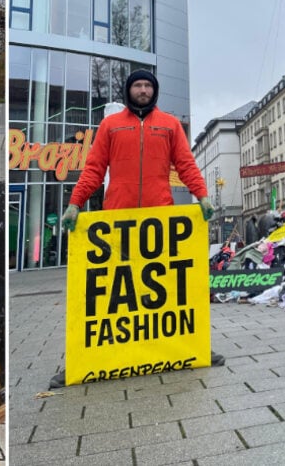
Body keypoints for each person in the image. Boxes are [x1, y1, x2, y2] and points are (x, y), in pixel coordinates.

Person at [52, 69, 222, 388]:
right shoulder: (110, 125)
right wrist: (75, 203)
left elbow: (186, 164)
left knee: (170, 287)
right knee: (113, 290)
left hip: (160, 217)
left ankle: (195, 348)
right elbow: (94, 167)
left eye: (147, 86)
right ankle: (86, 358)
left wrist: (202, 196)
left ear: (154, 90)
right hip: (118, 216)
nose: (142, 90)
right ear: (128, 91)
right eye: (137, 86)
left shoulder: (169, 124)